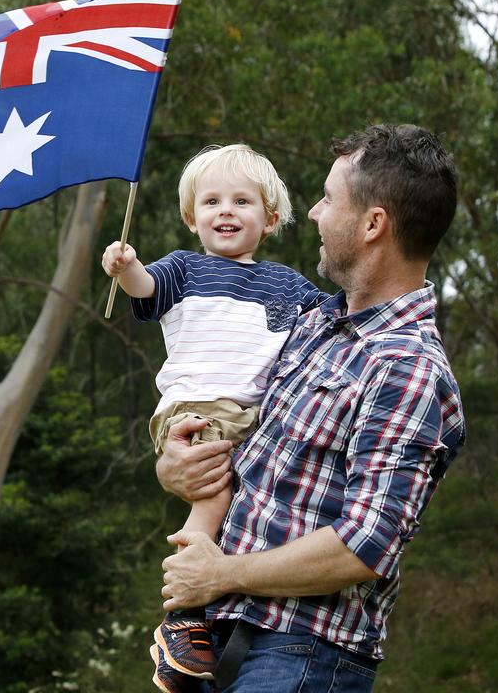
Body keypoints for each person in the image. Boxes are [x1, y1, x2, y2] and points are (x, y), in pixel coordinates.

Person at [155, 124, 465, 693]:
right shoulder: (311, 323)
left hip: (303, 654)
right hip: (220, 636)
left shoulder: (408, 367)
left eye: (328, 198)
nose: (316, 213)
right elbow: (244, 447)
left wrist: (220, 572)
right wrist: (178, 467)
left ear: (373, 225)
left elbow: (366, 543)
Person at [100, 144, 329, 692]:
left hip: (252, 414)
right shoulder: (183, 269)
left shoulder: (289, 285)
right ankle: (181, 611)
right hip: (197, 404)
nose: (225, 211)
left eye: (242, 201)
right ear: (191, 217)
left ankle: (206, 605)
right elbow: (146, 291)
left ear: (269, 218)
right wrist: (128, 267)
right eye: (211, 202)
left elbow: (331, 315)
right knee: (216, 490)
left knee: (244, 500)